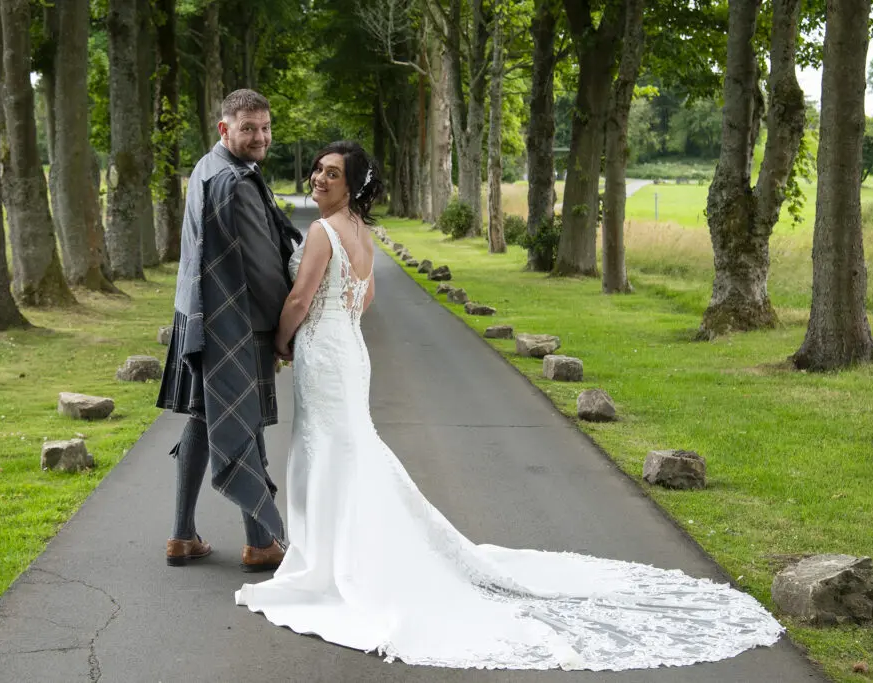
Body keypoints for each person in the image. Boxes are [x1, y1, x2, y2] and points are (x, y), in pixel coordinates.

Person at [234, 140, 784, 670]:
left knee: (328, 448)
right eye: (318, 169)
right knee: (349, 447)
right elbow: (366, 296)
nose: (319, 178)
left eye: (331, 173)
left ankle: (328, 561)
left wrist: (283, 341)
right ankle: (351, 549)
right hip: (349, 348)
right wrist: (335, 324)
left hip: (323, 350)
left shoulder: (324, 230)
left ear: (352, 185)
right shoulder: (361, 231)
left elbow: (301, 297)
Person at [157, 89, 302, 572]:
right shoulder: (235, 182)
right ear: (225, 129)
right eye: (248, 128)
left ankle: (182, 536)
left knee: (205, 415)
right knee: (244, 418)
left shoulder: (207, 166)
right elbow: (263, 269)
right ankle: (260, 543)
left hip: (198, 315)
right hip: (236, 322)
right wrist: (285, 329)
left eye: (265, 127)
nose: (260, 137)